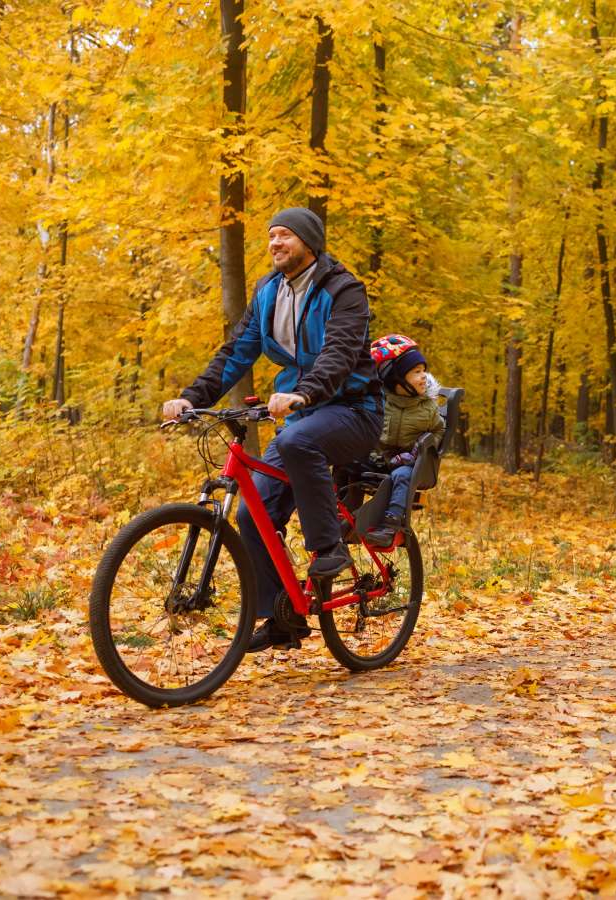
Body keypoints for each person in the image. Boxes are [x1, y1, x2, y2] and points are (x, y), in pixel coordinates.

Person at [161, 208, 383, 653]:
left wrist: (304, 392)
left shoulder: (344, 290)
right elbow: (236, 353)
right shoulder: (268, 292)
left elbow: (339, 354)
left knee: (297, 439)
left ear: (309, 242)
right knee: (251, 512)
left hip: (354, 411)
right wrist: (193, 396)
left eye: (285, 236)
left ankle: (329, 551)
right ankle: (283, 617)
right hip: (301, 414)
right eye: (271, 237)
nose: (275, 244)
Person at [360, 335, 446, 547]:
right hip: (381, 457)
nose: (424, 376)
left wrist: (422, 448)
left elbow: (438, 430)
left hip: (411, 462)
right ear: (395, 379)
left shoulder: (426, 408)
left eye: (423, 370)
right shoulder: (382, 402)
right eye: (417, 372)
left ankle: (393, 523)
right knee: (350, 465)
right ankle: (344, 515)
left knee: (401, 476)